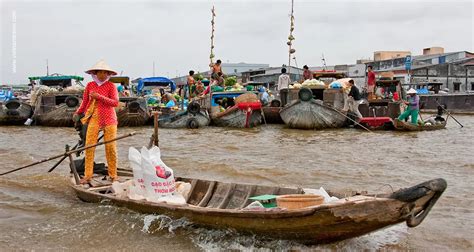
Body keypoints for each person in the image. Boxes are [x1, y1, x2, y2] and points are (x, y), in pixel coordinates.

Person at [72, 59, 119, 184]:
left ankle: (113, 175)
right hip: (94, 118)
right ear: (95, 73)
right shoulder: (90, 85)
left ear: (108, 74)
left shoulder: (111, 86)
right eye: (100, 72)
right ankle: (88, 175)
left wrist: (100, 97)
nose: (102, 75)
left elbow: (115, 102)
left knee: (110, 147)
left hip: (109, 119)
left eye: (105, 73)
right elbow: (85, 102)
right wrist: (77, 113)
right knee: (89, 147)